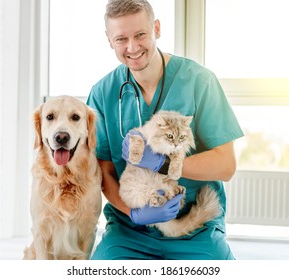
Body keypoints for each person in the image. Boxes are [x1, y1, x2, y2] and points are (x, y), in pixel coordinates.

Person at [86, 0, 243, 260]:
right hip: (128, 230)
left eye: (140, 35)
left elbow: (226, 166)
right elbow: (102, 171)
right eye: (121, 38)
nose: (132, 47)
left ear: (156, 28)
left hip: (195, 228)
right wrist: (133, 212)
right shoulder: (102, 93)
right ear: (109, 40)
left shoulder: (199, 81)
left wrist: (166, 164)